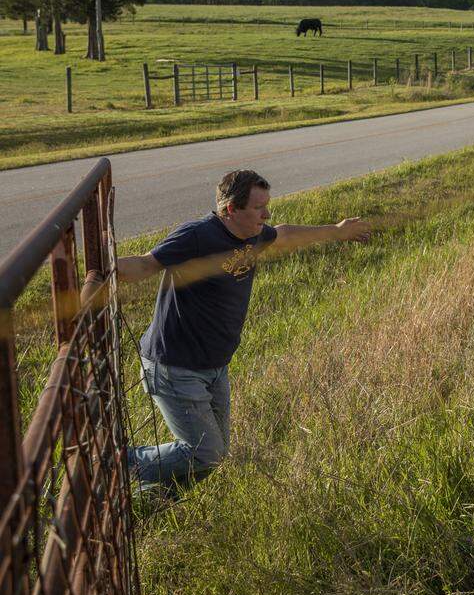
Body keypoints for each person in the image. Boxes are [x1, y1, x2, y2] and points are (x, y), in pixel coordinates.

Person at [116, 169, 371, 493]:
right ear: (231, 210)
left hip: (214, 366)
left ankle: (149, 497)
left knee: (215, 454)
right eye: (258, 207)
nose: (266, 214)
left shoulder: (253, 234)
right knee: (205, 454)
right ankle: (116, 465)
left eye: (267, 205)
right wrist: (104, 267)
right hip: (175, 366)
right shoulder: (197, 236)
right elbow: (145, 265)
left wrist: (336, 231)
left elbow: (285, 234)